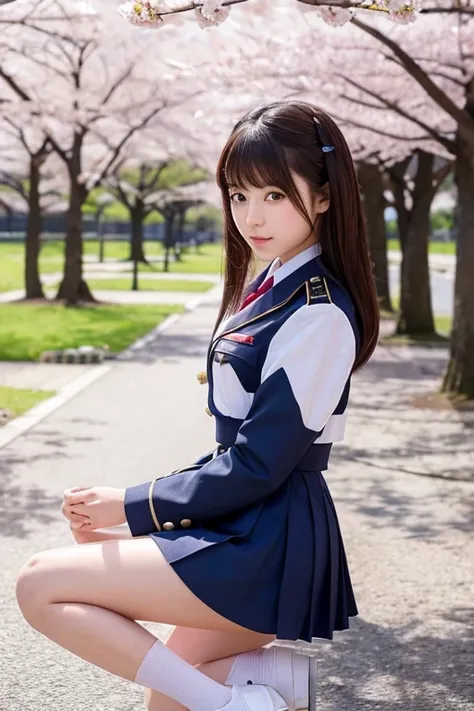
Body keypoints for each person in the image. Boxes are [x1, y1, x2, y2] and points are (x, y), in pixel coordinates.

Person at [16, 100, 379, 711]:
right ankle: (257, 679)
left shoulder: (317, 311)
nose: (251, 216)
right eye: (238, 196)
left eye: (273, 195)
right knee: (168, 703)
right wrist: (132, 502)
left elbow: (258, 464)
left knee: (40, 585)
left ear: (322, 197)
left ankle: (235, 699)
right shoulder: (277, 285)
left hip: (267, 538)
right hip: (251, 522)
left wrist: (134, 506)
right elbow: (237, 454)